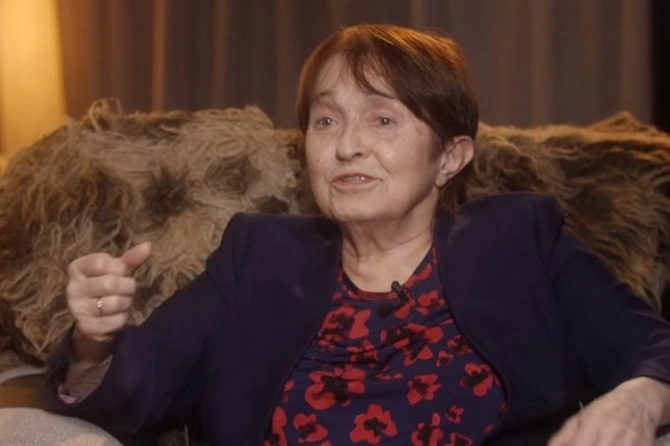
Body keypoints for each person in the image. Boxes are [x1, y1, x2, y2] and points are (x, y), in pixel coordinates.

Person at [45, 24, 670, 445]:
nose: (347, 145)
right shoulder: (257, 254)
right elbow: (136, 393)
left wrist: (640, 399)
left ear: (450, 158)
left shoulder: (520, 239)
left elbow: (652, 347)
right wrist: (95, 344)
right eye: (326, 121)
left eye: (382, 119)